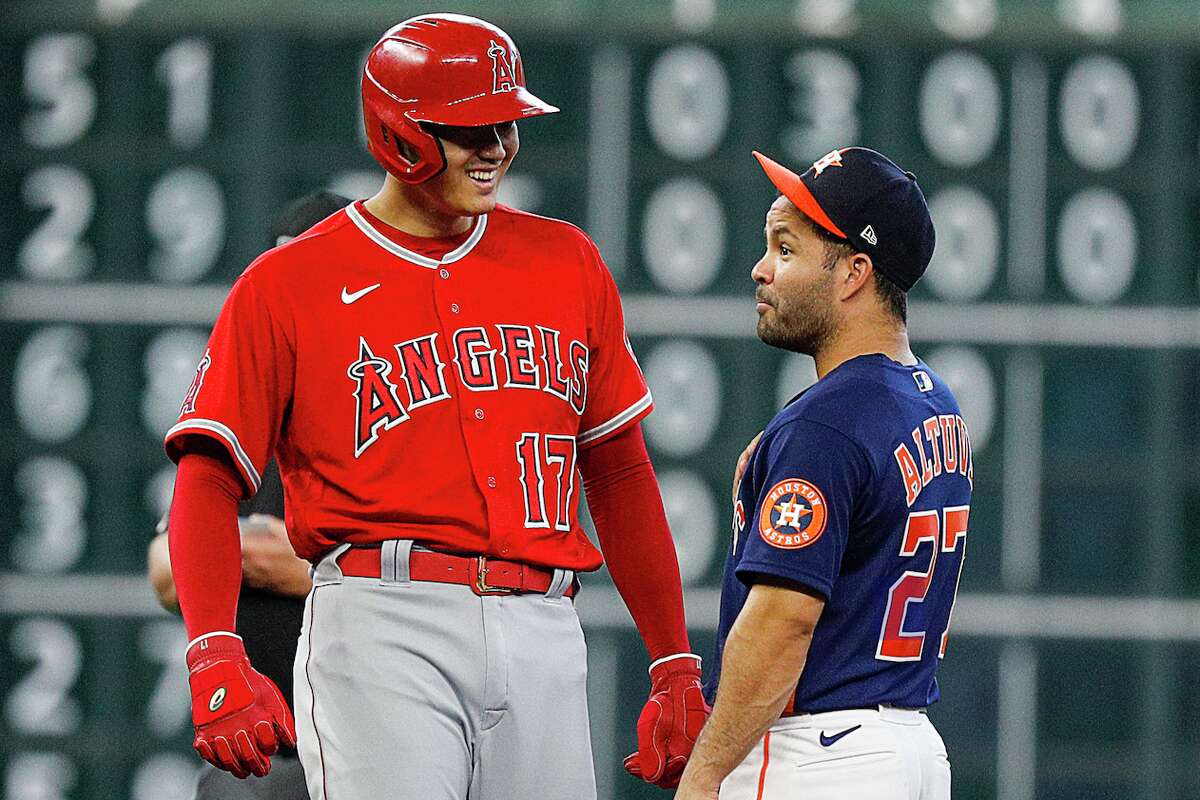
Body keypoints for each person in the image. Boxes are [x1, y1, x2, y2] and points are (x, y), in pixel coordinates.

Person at [162, 13, 707, 800]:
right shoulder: (288, 283)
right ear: (397, 130)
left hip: (544, 626)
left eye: (507, 123)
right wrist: (214, 650)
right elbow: (208, 476)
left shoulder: (566, 261)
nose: (496, 146)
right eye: (470, 127)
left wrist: (673, 660)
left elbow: (618, 471)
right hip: (385, 622)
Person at [673, 147, 972, 800]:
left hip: (820, 755)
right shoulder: (935, 403)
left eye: (785, 248)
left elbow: (785, 620)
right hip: (911, 747)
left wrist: (705, 773)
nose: (760, 269)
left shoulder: (826, 425)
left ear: (852, 274)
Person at [147, 190, 351, 800]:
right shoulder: (248, 413)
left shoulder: (396, 401)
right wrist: (314, 562)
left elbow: (434, 579)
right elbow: (166, 571)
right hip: (261, 756)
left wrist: (286, 562)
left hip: (373, 745)